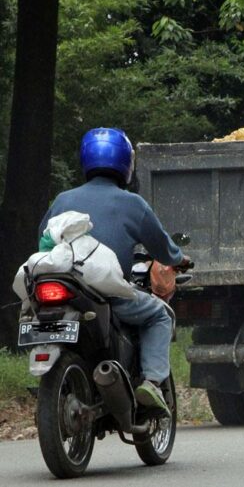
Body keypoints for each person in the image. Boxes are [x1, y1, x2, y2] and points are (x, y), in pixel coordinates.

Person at [39, 127, 191, 415]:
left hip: (63, 289)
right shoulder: (133, 204)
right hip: (109, 294)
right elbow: (163, 249)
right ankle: (153, 382)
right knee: (160, 314)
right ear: (126, 163)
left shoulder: (62, 200)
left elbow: (43, 239)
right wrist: (179, 258)